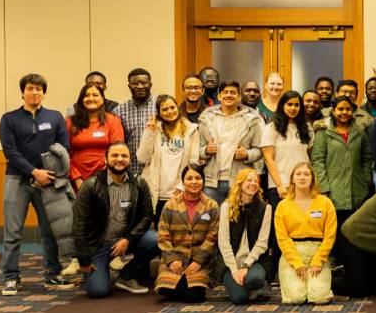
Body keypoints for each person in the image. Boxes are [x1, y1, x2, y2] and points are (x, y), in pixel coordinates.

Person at [0, 74, 73, 295]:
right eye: (31, 88)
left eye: (39, 89)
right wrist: (33, 171)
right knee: (13, 231)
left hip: (48, 183)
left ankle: (52, 274)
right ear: (23, 92)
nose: (35, 92)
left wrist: (49, 173)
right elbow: (10, 151)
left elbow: (64, 145)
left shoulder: (54, 116)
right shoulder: (9, 118)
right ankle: (11, 277)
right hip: (17, 180)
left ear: (44, 92)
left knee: (50, 231)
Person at [73, 142, 158, 298]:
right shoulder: (90, 185)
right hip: (99, 244)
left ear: (130, 160)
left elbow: (147, 215)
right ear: (105, 160)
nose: (120, 159)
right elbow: (79, 225)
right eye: (115, 155)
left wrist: (128, 239)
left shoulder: (139, 183)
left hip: (126, 241)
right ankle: (98, 271)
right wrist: (84, 261)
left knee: (157, 239)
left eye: (124, 156)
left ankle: (125, 276)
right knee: (98, 291)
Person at [155, 165, 219, 303]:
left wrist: (199, 261)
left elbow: (212, 237)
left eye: (198, 178)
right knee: (167, 290)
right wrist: (171, 259)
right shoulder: (170, 205)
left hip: (200, 262)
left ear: (203, 181)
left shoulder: (211, 206)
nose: (194, 182)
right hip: (175, 259)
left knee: (193, 296)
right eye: (189, 178)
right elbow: (163, 234)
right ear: (183, 182)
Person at [274, 163, 336, 304]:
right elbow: (282, 238)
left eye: (307, 174)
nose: (302, 177)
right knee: (296, 298)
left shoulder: (325, 203)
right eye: (299, 174)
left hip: (318, 253)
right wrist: (296, 262)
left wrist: (318, 259)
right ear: (292, 179)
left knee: (318, 298)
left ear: (312, 179)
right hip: (293, 253)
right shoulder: (282, 206)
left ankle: (321, 283)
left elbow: (330, 236)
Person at [312, 95, 374, 229]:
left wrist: (366, 178)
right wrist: (323, 187)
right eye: (340, 109)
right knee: (334, 228)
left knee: (354, 228)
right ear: (333, 111)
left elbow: (368, 156)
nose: (344, 112)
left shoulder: (359, 131)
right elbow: (318, 161)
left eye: (348, 109)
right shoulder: (324, 132)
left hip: (357, 189)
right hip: (333, 189)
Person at [138, 95, 201, 224]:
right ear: (159, 113)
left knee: (179, 232)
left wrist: (182, 185)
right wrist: (150, 131)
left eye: (172, 107)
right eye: (165, 109)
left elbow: (193, 161)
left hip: (179, 192)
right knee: (158, 233)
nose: (170, 111)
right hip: (157, 192)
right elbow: (142, 158)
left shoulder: (191, 129)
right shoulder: (154, 128)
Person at [198, 80, 264, 205]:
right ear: (219, 96)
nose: (229, 95)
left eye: (233, 92)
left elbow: (260, 151)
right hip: (212, 182)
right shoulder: (206, 119)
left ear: (239, 97)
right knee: (211, 218)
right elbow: (197, 149)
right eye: (225, 92)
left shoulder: (252, 120)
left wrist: (247, 154)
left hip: (240, 181)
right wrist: (206, 150)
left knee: (237, 220)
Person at [218, 168, 271, 304]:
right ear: (240, 183)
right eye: (249, 180)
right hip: (232, 262)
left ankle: (252, 284)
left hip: (254, 262)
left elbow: (262, 243)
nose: (253, 183)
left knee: (256, 279)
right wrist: (235, 270)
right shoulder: (227, 206)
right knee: (239, 298)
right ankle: (242, 287)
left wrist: (247, 265)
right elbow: (224, 242)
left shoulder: (265, 208)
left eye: (256, 181)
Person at [67, 83, 125, 191]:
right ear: (81, 100)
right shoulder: (70, 122)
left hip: (106, 178)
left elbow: (117, 152)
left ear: (102, 99)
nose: (90, 98)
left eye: (95, 95)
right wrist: (76, 179)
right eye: (86, 95)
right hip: (76, 180)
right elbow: (65, 153)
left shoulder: (113, 121)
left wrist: (102, 178)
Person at [261, 91, 313, 208]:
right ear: (282, 105)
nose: (293, 108)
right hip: (281, 184)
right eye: (289, 104)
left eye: (296, 105)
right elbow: (268, 159)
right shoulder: (271, 128)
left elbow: (310, 156)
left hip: (303, 183)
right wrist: (279, 185)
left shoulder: (307, 127)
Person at [113, 68, 157, 175]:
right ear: (129, 86)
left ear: (150, 85)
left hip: (156, 170)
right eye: (135, 83)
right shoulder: (119, 110)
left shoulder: (161, 106)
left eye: (144, 83)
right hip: (130, 171)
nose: (140, 86)